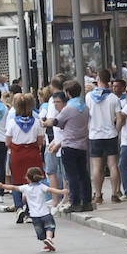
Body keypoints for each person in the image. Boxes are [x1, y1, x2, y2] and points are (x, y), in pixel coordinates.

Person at [0, 169, 66, 251]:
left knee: (41, 232)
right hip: (45, 213)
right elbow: (52, 190)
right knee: (49, 227)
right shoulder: (42, 187)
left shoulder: (25, 188)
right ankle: (49, 239)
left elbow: (13, 187)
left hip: (34, 216)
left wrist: (2, 186)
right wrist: (61, 192)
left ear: (28, 178)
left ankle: (47, 243)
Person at [49, 82, 92, 212]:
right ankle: (87, 201)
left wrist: (46, 122)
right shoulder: (84, 107)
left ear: (68, 93)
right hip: (82, 144)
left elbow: (57, 121)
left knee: (72, 175)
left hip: (69, 145)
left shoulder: (68, 108)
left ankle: (75, 202)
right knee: (83, 174)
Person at [4, 94, 46, 220]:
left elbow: (7, 142)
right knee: (33, 182)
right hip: (32, 155)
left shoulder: (12, 122)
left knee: (17, 181)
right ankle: (29, 210)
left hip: (17, 155)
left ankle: (18, 207)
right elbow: (40, 142)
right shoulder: (37, 122)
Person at [86, 70, 123, 204]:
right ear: (109, 81)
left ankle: (98, 195)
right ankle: (114, 194)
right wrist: (116, 131)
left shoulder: (89, 97)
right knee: (113, 165)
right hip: (110, 135)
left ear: (98, 79)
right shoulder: (113, 98)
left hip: (95, 135)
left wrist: (89, 127)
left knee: (97, 167)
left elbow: (86, 116)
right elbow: (119, 118)